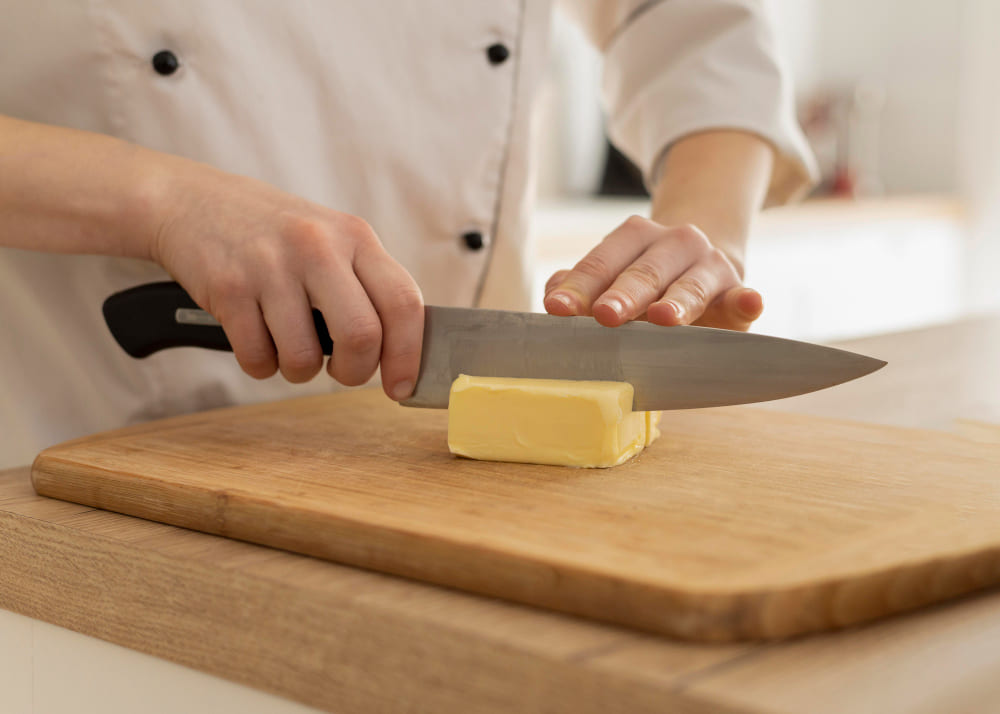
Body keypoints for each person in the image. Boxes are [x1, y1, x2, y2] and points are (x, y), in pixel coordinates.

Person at [0, 1, 816, 468]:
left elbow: (689, 26)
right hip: (81, 450)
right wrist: (161, 199)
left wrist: (700, 237)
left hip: (473, 487)